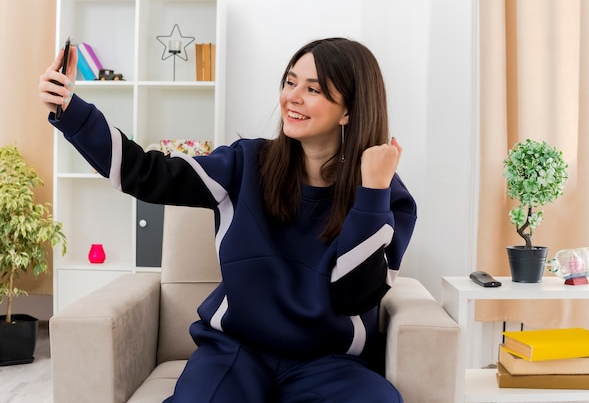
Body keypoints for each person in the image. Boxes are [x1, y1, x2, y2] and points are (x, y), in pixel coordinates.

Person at [39, 37, 417, 402]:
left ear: (348, 109)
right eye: (289, 82)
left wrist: (372, 193)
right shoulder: (245, 165)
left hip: (329, 364)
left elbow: (355, 295)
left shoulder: (386, 197)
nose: (292, 97)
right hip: (237, 352)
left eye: (313, 89)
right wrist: (71, 110)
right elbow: (147, 173)